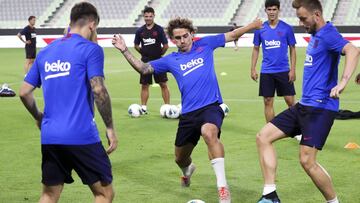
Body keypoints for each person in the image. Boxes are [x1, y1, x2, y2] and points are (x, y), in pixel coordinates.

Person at [113, 17, 262, 203]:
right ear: (173, 40)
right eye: (178, 38)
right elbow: (144, 69)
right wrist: (125, 50)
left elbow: (232, 35)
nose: (182, 40)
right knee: (180, 159)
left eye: (185, 36)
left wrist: (253, 26)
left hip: (211, 106)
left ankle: (223, 188)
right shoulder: (171, 59)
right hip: (189, 114)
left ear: (192, 34)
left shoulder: (206, 44)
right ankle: (188, 170)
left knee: (209, 133)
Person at [256, 0, 360, 203]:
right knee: (263, 137)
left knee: (307, 161)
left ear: (317, 16)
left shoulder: (328, 33)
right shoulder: (316, 35)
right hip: (304, 105)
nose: (301, 22)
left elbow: (353, 50)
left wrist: (343, 82)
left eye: (304, 18)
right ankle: (270, 195)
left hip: (320, 108)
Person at [19, 2, 118, 203]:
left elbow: (24, 92)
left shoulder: (46, 52)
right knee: (104, 193)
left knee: (49, 194)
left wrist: (39, 117)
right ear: (92, 25)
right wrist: (109, 127)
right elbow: (98, 89)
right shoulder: (91, 50)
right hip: (82, 136)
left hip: (50, 136)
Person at [251, 0, 297, 124]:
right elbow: (256, 49)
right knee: (267, 101)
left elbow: (292, 49)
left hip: (283, 70)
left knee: (290, 101)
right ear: (265, 10)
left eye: (274, 9)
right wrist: (253, 68)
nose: (272, 12)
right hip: (267, 71)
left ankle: (299, 130)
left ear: (279, 10)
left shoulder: (287, 28)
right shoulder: (260, 29)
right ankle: (271, 130)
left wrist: (292, 69)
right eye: (269, 9)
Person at [134, 6, 170, 114]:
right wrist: (143, 53)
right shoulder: (140, 31)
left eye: (150, 16)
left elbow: (166, 45)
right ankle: (143, 108)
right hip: (145, 62)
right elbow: (136, 45)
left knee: (163, 84)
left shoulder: (159, 30)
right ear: (143, 17)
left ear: (154, 16)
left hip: (158, 61)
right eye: (146, 16)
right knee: (145, 85)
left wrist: (159, 54)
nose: (148, 18)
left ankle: (167, 106)